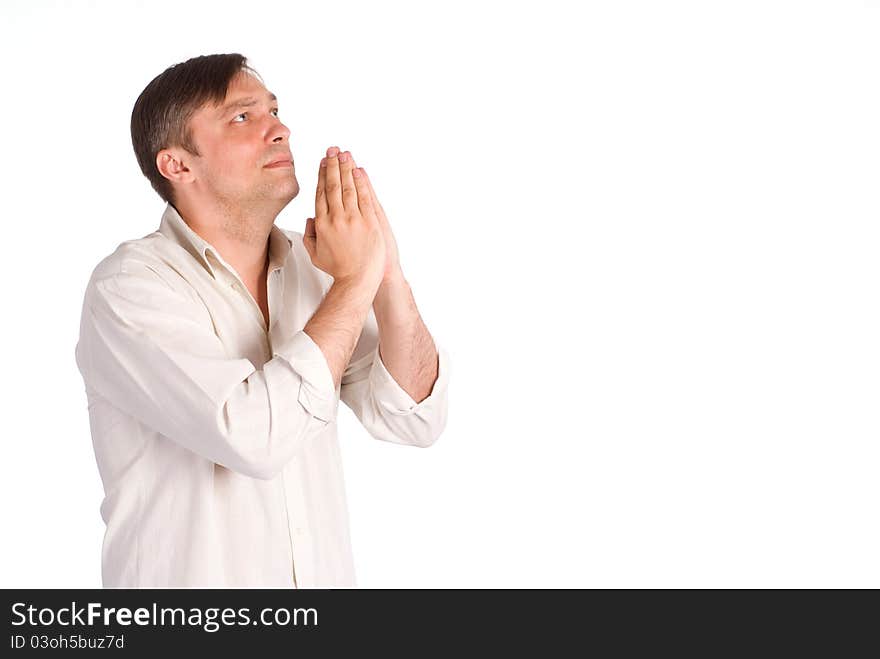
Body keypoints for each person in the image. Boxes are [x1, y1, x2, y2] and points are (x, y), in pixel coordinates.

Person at [74, 53, 451, 588]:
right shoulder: (131, 287)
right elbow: (254, 437)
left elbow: (412, 418)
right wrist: (352, 284)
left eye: (275, 110)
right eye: (243, 117)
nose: (281, 129)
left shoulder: (318, 267)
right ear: (178, 164)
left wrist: (385, 274)